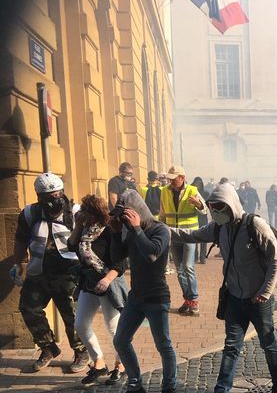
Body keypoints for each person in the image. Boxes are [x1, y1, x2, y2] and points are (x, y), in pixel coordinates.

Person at [169, 182, 277, 393]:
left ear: (231, 204)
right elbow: (190, 235)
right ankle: (222, 388)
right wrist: (156, 228)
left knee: (268, 343)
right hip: (234, 298)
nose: (214, 212)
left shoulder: (255, 225)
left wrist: (265, 291)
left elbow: (275, 259)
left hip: (259, 300)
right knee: (231, 346)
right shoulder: (219, 227)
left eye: (219, 207)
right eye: (212, 208)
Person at [14, 172, 90, 373]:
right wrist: (19, 264)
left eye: (57, 195)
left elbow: (90, 239)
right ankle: (48, 347)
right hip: (38, 272)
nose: (54, 201)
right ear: (39, 197)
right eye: (48, 198)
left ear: (62, 192)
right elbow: (21, 240)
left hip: (69, 272)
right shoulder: (30, 213)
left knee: (72, 314)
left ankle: (81, 350)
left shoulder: (75, 212)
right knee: (28, 308)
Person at [111, 190, 177, 393]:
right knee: (120, 340)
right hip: (136, 297)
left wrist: (137, 229)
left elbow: (151, 254)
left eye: (124, 215)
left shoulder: (161, 230)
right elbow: (116, 258)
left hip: (156, 297)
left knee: (163, 345)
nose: (123, 220)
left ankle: (169, 386)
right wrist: (115, 232)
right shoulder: (131, 232)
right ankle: (135, 382)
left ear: (137, 211)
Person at [68, 195, 128, 386]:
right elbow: (71, 246)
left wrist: (107, 279)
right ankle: (99, 362)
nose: (81, 214)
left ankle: (121, 364)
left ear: (94, 212)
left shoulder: (110, 230)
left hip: (108, 283)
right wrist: (77, 226)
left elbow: (120, 263)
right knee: (81, 324)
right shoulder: (85, 229)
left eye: (85, 210)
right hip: (89, 283)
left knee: (114, 328)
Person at [159, 165, 206, 316]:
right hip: (173, 234)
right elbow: (162, 213)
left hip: (189, 234)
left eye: (174, 179)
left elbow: (204, 209)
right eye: (169, 179)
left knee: (188, 267)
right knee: (179, 270)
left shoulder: (192, 190)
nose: (171, 182)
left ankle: (194, 301)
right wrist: (160, 230)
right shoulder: (165, 191)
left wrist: (198, 204)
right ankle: (188, 300)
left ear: (182, 178)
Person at [191, 177, 210, 264]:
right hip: (194, 217)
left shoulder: (206, 193)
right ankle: (196, 256)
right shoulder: (192, 192)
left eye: (199, 184)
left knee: (203, 238)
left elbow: (209, 205)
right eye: (196, 184)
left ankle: (202, 257)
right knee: (195, 237)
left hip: (202, 217)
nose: (197, 185)